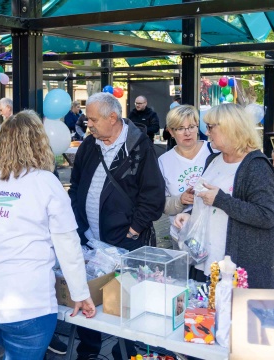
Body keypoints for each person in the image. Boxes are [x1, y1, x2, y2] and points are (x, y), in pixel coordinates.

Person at [0, 110, 96, 360]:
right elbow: (68, 245)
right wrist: (80, 294)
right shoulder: (45, 182)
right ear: (39, 142)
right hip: (27, 305)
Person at [69, 92, 165, 359]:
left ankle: (126, 352)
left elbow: (153, 196)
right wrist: (78, 223)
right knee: (90, 296)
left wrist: (134, 229)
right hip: (90, 240)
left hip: (124, 242)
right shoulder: (90, 144)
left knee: (124, 303)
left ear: (113, 117)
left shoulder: (139, 147)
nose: (88, 124)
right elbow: (76, 185)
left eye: (92, 119)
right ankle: (89, 350)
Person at [174, 103, 274, 290]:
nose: (206, 133)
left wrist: (221, 200)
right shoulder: (213, 159)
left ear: (230, 128)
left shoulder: (256, 166)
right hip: (204, 261)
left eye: (211, 127)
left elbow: (266, 216)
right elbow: (207, 202)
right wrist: (190, 215)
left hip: (235, 268)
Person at [158, 105, 215, 241]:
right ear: (171, 132)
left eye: (191, 126)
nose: (187, 133)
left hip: (214, 234)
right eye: (180, 128)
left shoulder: (213, 151)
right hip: (182, 236)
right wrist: (180, 200)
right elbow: (162, 204)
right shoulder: (164, 161)